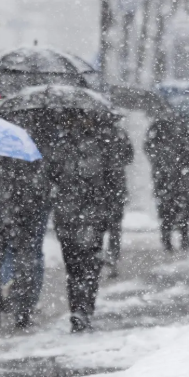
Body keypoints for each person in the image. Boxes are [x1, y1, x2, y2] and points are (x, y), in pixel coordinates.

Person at [49, 114, 115, 332]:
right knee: (82, 266)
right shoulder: (96, 143)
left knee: (81, 266)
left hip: (81, 214)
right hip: (80, 214)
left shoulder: (63, 145)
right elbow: (111, 177)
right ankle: (82, 309)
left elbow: (53, 177)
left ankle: (81, 309)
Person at [0, 156, 50, 330]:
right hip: (17, 214)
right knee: (21, 262)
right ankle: (18, 310)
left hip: (13, 214)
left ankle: (2, 309)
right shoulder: (26, 158)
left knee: (4, 261)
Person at [145, 112, 189, 251]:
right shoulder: (157, 128)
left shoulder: (180, 129)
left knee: (182, 208)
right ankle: (168, 238)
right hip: (166, 176)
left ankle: (182, 238)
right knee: (167, 209)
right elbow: (149, 149)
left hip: (178, 176)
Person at [101, 125, 134, 275]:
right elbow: (129, 156)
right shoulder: (120, 132)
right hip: (115, 185)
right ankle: (112, 256)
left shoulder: (92, 133)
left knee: (101, 225)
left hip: (97, 186)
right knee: (114, 226)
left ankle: (103, 257)